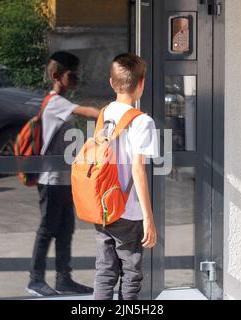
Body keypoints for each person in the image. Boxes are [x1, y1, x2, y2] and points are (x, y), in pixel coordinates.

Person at [27, 51, 100, 297]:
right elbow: (88, 112)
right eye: (72, 74)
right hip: (51, 180)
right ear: (57, 76)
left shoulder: (62, 102)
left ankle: (63, 279)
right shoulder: (56, 102)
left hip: (64, 179)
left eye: (78, 73)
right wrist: (115, 114)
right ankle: (35, 280)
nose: (77, 78)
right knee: (47, 229)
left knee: (66, 229)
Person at [93, 53, 159, 300]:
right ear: (142, 84)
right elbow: (137, 169)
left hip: (102, 205)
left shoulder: (105, 113)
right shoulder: (142, 121)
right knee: (131, 273)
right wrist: (148, 218)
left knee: (105, 271)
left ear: (112, 83)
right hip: (127, 211)